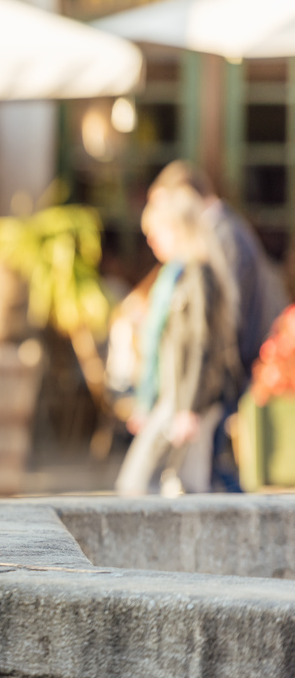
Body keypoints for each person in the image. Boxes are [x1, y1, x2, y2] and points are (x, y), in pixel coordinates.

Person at [146, 161, 289, 489]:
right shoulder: (225, 229)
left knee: (221, 474)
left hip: (236, 369)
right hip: (231, 370)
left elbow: (221, 323)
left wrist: (204, 393)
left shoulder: (223, 235)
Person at [116, 180, 239, 496]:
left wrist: (189, 408)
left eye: (157, 233)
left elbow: (201, 345)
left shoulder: (200, 275)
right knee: (173, 484)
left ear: (178, 228)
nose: (152, 242)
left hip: (187, 398)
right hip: (175, 395)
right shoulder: (179, 274)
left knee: (154, 484)